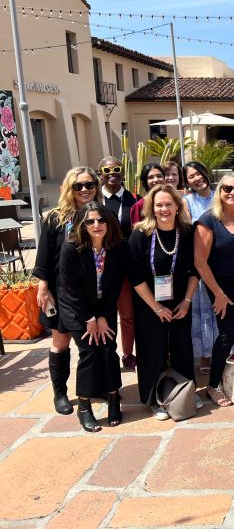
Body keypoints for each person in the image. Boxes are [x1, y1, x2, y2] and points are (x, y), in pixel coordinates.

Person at [129, 185, 200, 418]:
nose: (164, 209)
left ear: (177, 206)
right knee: (153, 349)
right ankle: (155, 399)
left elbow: (195, 270)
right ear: (151, 208)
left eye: (168, 204)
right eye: (158, 205)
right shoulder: (140, 234)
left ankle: (185, 393)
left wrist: (187, 300)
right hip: (149, 303)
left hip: (180, 301)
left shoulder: (187, 232)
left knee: (182, 347)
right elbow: (135, 277)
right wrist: (156, 307)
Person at [34, 167, 101, 415]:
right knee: (61, 341)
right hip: (61, 292)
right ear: (69, 188)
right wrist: (43, 287)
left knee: (92, 342)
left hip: (92, 291)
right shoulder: (56, 218)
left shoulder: (99, 214)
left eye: (89, 184)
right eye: (78, 185)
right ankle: (60, 393)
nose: (84, 189)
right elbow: (44, 254)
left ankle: (93, 386)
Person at [58, 203, 129, 431]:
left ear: (108, 222)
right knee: (89, 352)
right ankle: (84, 407)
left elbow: (115, 285)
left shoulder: (118, 247)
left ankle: (113, 398)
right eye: (90, 221)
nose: (96, 225)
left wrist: (103, 316)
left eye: (100, 220)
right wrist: (89, 318)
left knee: (108, 350)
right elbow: (70, 289)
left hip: (104, 307)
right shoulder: (71, 248)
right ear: (82, 225)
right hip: (77, 309)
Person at [194, 173, 234, 407]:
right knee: (228, 334)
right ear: (220, 191)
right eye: (228, 189)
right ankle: (213, 385)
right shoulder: (208, 220)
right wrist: (219, 294)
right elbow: (200, 262)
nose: (233, 193)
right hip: (221, 286)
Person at [98, 157, 139, 372]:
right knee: (103, 314)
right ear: (100, 174)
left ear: (123, 172)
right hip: (100, 268)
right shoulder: (94, 201)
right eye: (107, 169)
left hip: (125, 267)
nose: (112, 173)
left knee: (127, 314)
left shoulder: (135, 200)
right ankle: (106, 355)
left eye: (117, 169)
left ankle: (128, 354)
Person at [182, 161, 217, 375]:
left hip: (221, 262)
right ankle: (205, 354)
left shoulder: (220, 195)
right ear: (187, 182)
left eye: (199, 173)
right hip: (200, 265)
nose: (197, 178)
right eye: (191, 176)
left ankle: (225, 350)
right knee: (203, 309)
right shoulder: (187, 202)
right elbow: (187, 233)